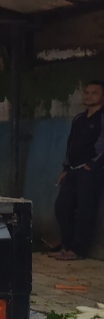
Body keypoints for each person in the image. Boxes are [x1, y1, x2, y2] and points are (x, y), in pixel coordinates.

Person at [52, 81, 104, 261]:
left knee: (85, 210)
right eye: (87, 92)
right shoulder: (79, 119)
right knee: (62, 206)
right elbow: (71, 145)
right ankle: (67, 246)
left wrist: (93, 164)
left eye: (94, 93)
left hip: (90, 170)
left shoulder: (102, 117)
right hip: (73, 170)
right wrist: (66, 168)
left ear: (102, 97)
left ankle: (78, 250)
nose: (89, 96)